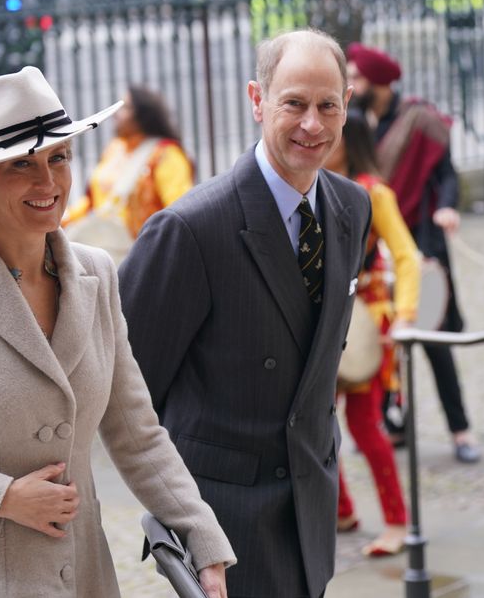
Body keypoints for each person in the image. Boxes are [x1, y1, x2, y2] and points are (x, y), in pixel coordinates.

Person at [0, 67, 235, 598]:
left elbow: (136, 431)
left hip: (80, 574)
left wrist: (202, 538)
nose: (48, 183)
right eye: (20, 166)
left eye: (58, 158)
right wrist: (1, 497)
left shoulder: (97, 275)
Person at [118, 30, 373, 598]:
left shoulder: (353, 207)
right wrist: (177, 514)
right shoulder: (190, 229)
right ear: (257, 100)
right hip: (224, 526)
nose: (313, 124)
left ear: (347, 105)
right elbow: (127, 390)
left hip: (310, 508)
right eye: (294, 104)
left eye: (327, 105)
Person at [345, 42, 481, 463]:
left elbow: (446, 174)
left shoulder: (419, 119)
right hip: (375, 250)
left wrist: (446, 206)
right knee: (386, 343)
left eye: (357, 77)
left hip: (420, 241)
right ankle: (395, 424)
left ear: (380, 83)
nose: (350, 83)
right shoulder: (355, 121)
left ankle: (461, 431)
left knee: (433, 340)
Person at [324, 110, 419, 557]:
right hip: (323, 321)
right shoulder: (311, 182)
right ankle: (342, 509)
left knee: (363, 424)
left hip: (366, 323)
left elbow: (406, 256)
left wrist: (406, 315)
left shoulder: (373, 191)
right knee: (317, 423)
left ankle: (398, 521)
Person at [62, 84, 193, 255]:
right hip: (104, 247)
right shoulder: (114, 148)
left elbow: (180, 210)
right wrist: (62, 220)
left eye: (126, 108)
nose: (117, 114)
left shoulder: (166, 154)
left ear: (143, 116)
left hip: (144, 253)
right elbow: (92, 201)